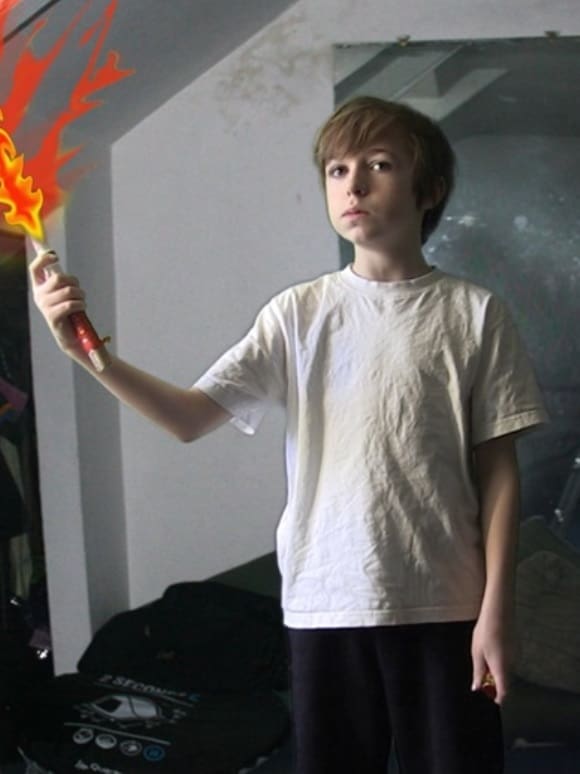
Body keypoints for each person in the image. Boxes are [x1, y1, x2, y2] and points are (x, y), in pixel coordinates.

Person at [30, 96, 549, 774]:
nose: (353, 185)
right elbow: (189, 418)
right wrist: (89, 355)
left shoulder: (475, 314)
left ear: (430, 189)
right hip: (324, 604)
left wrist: (495, 613)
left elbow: (499, 472)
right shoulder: (298, 314)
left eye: (379, 165)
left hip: (446, 605)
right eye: (337, 170)